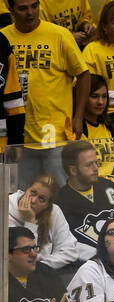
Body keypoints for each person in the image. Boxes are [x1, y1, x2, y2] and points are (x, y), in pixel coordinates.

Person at [4, 0, 89, 183]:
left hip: (56, 133)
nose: (30, 12)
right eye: (23, 8)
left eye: (34, 6)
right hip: (18, 135)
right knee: (21, 197)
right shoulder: (2, 39)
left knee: (60, 192)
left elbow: (83, 74)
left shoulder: (59, 35)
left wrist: (78, 117)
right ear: (10, 10)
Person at [56, 140, 114, 265]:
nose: (96, 168)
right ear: (73, 170)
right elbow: (66, 244)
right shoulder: (60, 202)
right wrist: (102, 257)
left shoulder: (109, 187)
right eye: (89, 165)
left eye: (96, 162)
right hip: (91, 267)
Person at [8, 176, 79, 272]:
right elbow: (23, 258)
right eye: (32, 193)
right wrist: (30, 222)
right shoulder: (5, 209)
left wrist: (42, 267)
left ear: (47, 205)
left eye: (41, 199)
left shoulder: (54, 211)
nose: (33, 200)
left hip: (44, 273)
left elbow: (69, 251)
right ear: (26, 190)